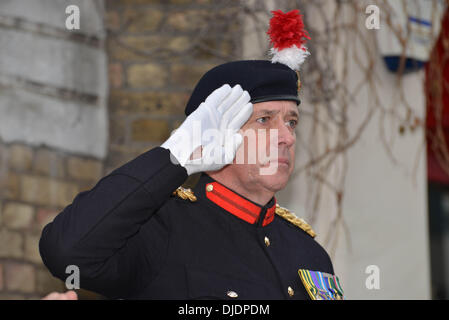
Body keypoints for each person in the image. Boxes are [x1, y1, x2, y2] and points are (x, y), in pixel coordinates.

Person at [39, 10, 344, 300]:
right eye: (264, 120)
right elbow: (67, 253)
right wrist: (173, 156)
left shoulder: (309, 254)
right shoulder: (160, 230)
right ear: (214, 135)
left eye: (291, 122)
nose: (287, 137)